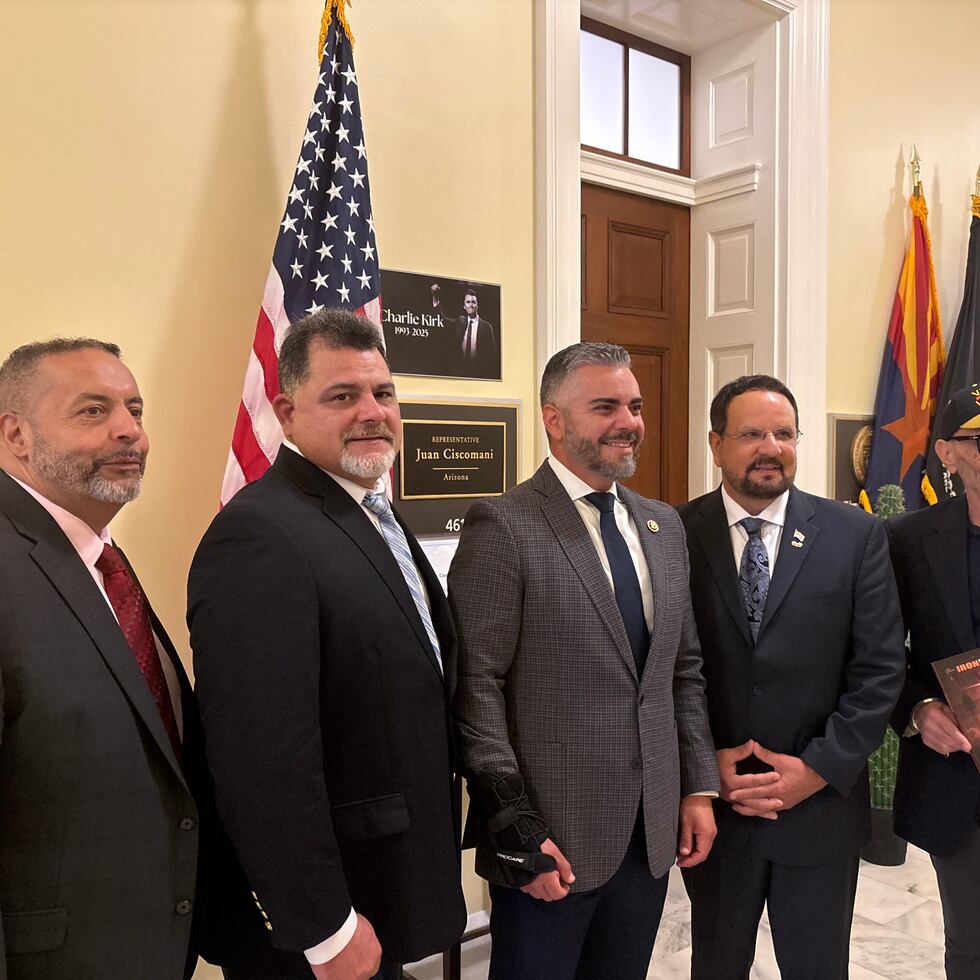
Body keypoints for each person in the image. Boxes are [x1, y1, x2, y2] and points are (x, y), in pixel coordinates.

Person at [188, 308, 466, 980]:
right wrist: (322, 927)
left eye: (383, 392)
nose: (371, 412)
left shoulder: (372, 507)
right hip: (321, 924)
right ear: (285, 411)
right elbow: (260, 761)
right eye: (342, 396)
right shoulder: (259, 536)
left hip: (385, 887)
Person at [449, 341, 719, 980]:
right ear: (555, 419)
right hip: (553, 842)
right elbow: (476, 688)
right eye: (606, 406)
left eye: (635, 405)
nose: (629, 421)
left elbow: (681, 670)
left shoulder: (663, 526)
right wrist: (516, 829)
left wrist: (697, 786)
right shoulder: (505, 525)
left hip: (648, 835)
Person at [678, 374, 906, 979]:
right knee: (717, 966)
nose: (770, 447)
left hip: (820, 813)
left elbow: (881, 670)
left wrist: (817, 770)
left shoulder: (855, 535)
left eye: (784, 433)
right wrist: (702, 768)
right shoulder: (673, 534)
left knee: (817, 967)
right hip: (718, 816)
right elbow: (666, 670)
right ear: (715, 443)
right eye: (751, 433)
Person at [0, 338, 209, 979]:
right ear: (17, 435)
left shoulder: (102, 561)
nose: (130, 432)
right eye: (93, 411)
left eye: (136, 411)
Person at [887, 382, 980, 980]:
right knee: (970, 943)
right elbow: (876, 654)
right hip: (958, 777)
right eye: (978, 438)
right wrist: (919, 710)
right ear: (947, 453)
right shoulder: (908, 540)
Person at [431, 283, 499, 379]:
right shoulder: (460, 321)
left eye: (473, 302)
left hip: (479, 375)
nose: (471, 305)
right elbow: (442, 320)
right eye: (468, 302)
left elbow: (492, 356)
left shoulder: (486, 327)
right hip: (459, 373)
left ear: (477, 305)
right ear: (464, 306)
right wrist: (435, 298)